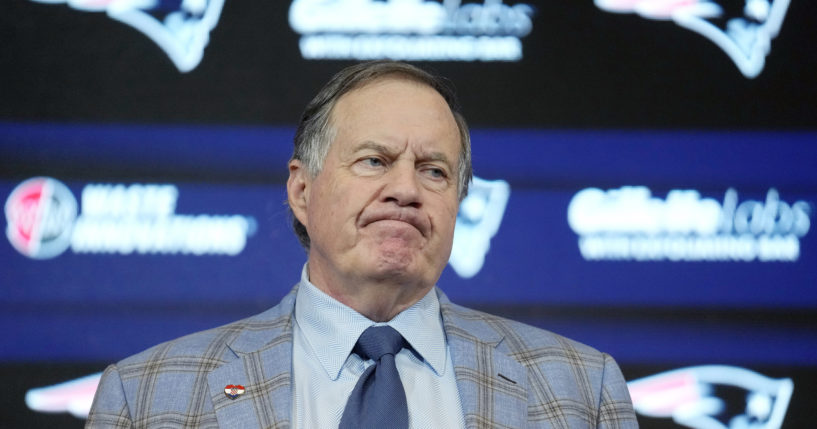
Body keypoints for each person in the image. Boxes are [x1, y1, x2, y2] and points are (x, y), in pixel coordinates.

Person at [86, 61, 638, 428]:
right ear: (302, 190)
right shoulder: (146, 397)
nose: (405, 190)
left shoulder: (582, 392)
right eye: (374, 160)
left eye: (434, 171)